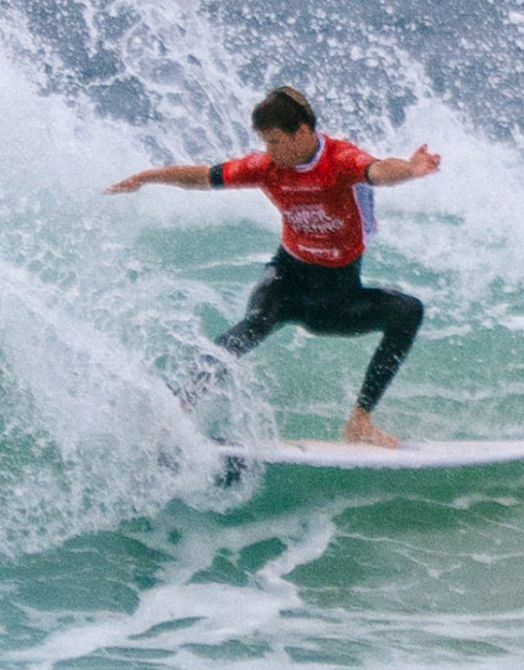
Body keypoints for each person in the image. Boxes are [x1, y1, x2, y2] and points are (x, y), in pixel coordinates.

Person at [106, 85, 441, 447]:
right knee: (256, 322)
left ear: (302, 132)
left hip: (337, 297)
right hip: (286, 280)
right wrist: (147, 177)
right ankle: (174, 408)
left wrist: (410, 168)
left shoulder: (340, 161)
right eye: (265, 142)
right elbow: (204, 176)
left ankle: (360, 422)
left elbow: (378, 171)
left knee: (408, 311)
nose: (269, 151)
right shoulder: (267, 168)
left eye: (275, 141)